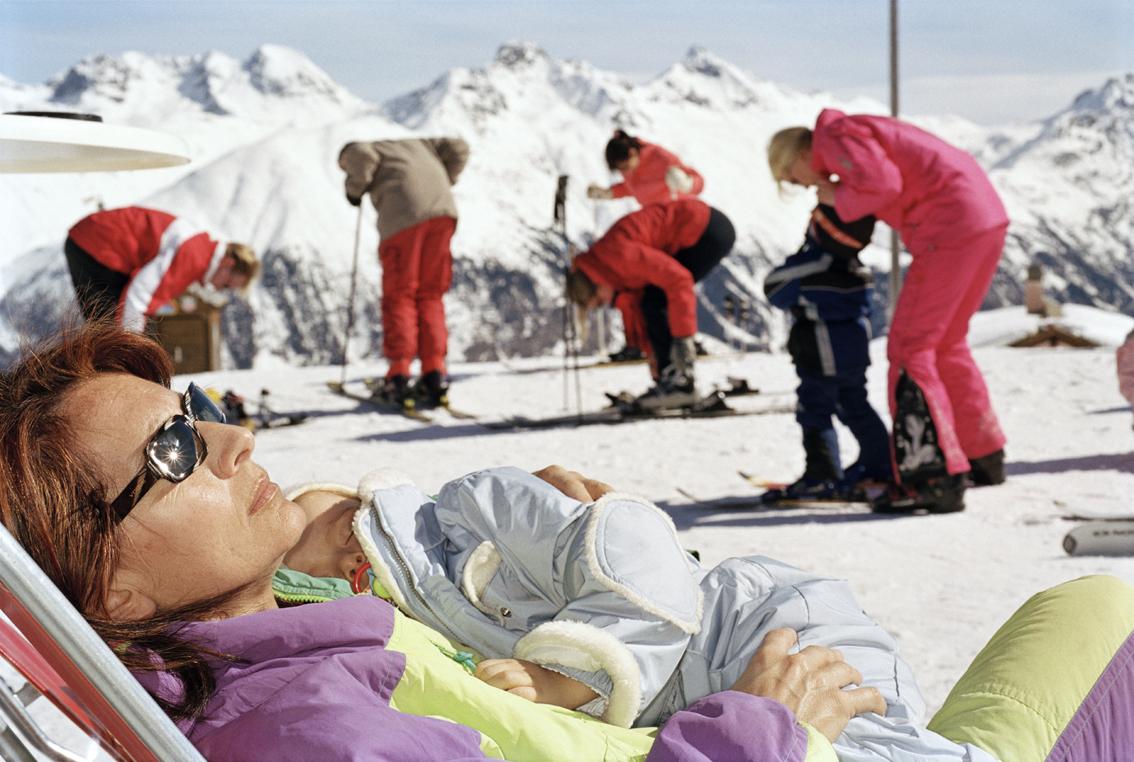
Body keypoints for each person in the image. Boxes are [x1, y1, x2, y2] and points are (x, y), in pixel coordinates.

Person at [2, 324, 1133, 761]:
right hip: (773, 742)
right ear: (102, 583)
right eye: (172, 456)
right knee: (1107, 619)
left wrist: (488, 526)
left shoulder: (261, 645)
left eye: (198, 411)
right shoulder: (314, 732)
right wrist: (761, 727)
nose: (235, 439)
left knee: (1093, 609)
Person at [284, 466, 1003, 760]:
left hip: (752, 622)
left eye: (339, 515)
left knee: (878, 749)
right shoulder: (404, 628)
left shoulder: (472, 506)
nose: (344, 540)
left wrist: (566, 674)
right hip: (704, 704)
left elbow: (631, 543)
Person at [768, 111, 1010, 514]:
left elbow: (883, 185)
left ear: (799, 153)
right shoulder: (854, 133)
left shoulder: (837, 136)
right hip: (982, 218)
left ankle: (931, 477)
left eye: (792, 176)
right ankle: (981, 454)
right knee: (946, 343)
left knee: (910, 348)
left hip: (948, 225)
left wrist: (835, 197)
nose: (802, 184)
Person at [762, 205, 891, 501]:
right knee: (854, 404)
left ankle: (821, 474)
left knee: (814, 406)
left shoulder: (812, 264)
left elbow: (773, 287)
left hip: (821, 350)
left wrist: (803, 253)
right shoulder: (857, 267)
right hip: (855, 348)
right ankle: (880, 464)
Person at [338, 137, 470, 408]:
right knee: (431, 293)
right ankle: (434, 372)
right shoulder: (420, 144)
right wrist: (445, 180)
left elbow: (361, 155)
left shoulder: (361, 149)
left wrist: (354, 189)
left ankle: (398, 375)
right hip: (443, 213)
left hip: (403, 217)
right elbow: (459, 147)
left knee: (400, 295)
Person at [566, 198, 735, 408]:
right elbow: (639, 309)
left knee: (657, 298)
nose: (607, 305)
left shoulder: (619, 256)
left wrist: (683, 340)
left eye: (600, 302)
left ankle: (680, 384)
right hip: (702, 226)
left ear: (597, 285)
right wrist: (655, 359)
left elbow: (678, 280)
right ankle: (673, 381)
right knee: (653, 300)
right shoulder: (608, 267)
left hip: (705, 230)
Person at [587, 130, 706, 362]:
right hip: (651, 231)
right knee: (635, 289)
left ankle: (685, 338)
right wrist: (608, 194)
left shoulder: (661, 158)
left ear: (632, 152)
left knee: (669, 285)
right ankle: (639, 342)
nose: (624, 173)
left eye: (625, 167)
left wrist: (686, 183)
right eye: (620, 170)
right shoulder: (632, 167)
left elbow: (697, 182)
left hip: (675, 227)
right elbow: (633, 187)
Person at [64, 206, 258, 332]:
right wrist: (131, 348)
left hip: (93, 242)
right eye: (225, 285)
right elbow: (139, 296)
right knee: (109, 333)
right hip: (96, 247)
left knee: (114, 331)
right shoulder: (192, 258)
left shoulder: (199, 249)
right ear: (227, 264)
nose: (218, 289)